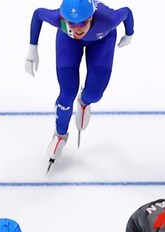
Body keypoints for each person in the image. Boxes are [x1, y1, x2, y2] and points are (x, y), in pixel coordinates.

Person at [25, 0, 135, 163]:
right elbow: (38, 14)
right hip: (68, 42)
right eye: (71, 23)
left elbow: (126, 12)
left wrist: (129, 33)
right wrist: (32, 49)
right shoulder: (59, 19)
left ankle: (84, 101)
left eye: (82, 22)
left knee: (95, 93)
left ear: (91, 17)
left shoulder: (108, 19)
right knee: (67, 92)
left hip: (102, 40)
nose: (77, 28)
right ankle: (60, 135)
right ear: (64, 18)